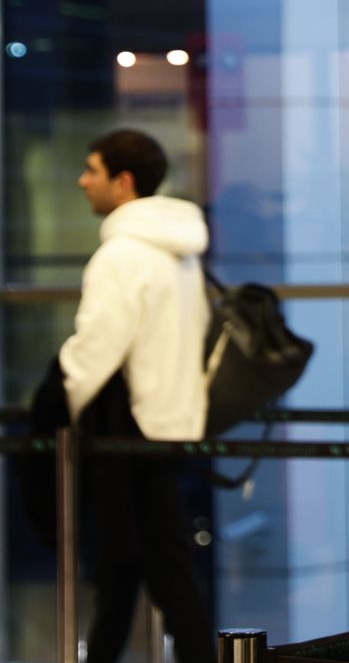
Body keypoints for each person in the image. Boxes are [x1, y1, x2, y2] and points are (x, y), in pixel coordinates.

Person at [60, 128, 213, 662]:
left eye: (92, 171)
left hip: (126, 429)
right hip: (171, 421)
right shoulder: (182, 253)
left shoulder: (121, 255)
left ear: (122, 183)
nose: (83, 182)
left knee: (145, 570)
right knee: (136, 569)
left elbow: (97, 348)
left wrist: (67, 388)